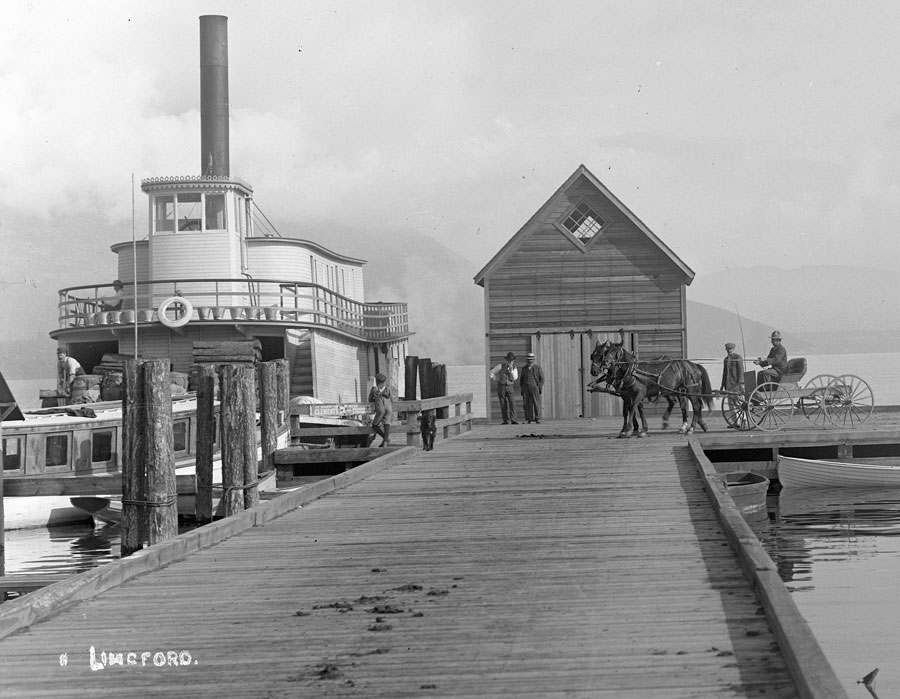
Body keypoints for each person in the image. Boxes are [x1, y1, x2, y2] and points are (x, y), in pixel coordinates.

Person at [489, 351, 519, 424]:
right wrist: (496, 379)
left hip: (510, 386)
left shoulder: (514, 368)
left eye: (511, 360)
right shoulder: (500, 366)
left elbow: (515, 378)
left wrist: (511, 370)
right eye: (509, 360)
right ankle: (505, 420)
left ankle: (513, 419)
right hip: (501, 386)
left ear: (513, 360)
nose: (510, 361)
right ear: (507, 360)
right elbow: (491, 372)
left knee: (512, 403)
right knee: (503, 404)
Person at [519, 352, 545, 424]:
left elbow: (542, 378)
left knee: (536, 403)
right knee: (527, 404)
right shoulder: (524, 368)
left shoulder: (537, 368)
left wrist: (539, 386)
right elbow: (521, 379)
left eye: (531, 359)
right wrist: (522, 388)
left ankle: (537, 418)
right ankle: (529, 419)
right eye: (528, 359)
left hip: (534, 387)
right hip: (526, 388)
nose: (529, 361)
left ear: (533, 360)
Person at [368, 373, 393, 446]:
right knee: (387, 423)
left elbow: (370, 399)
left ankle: (386, 439)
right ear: (384, 382)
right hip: (388, 407)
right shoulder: (388, 389)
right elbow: (392, 398)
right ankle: (385, 442)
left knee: (375, 426)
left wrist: (375, 400)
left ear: (376, 381)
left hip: (380, 410)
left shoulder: (374, 389)